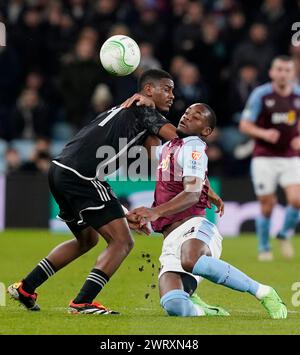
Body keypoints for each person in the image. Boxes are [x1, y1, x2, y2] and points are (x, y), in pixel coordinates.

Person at [7, 69, 179, 314]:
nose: (172, 95)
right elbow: (179, 139)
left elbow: (153, 153)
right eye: (167, 89)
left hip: (61, 170)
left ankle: (26, 287)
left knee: (87, 239)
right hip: (81, 176)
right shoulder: (144, 109)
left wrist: (122, 213)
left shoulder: (126, 109)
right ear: (148, 90)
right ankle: (82, 302)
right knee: (122, 241)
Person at [129, 103, 287, 319]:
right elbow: (153, 146)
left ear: (206, 131)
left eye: (195, 117)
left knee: (191, 260)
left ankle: (262, 291)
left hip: (194, 228)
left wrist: (156, 212)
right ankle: (202, 309)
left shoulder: (193, 147)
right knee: (175, 306)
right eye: (186, 113)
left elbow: (192, 194)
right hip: (170, 240)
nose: (186, 117)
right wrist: (141, 111)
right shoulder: (171, 146)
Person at [239, 55, 300, 261]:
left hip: (290, 156)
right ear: (272, 72)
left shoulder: (298, 95)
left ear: (293, 73)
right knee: (267, 204)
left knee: (296, 200)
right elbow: (244, 125)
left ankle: (283, 233)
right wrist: (265, 134)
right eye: (279, 69)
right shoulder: (261, 95)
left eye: (287, 70)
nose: (283, 73)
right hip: (264, 157)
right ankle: (264, 247)